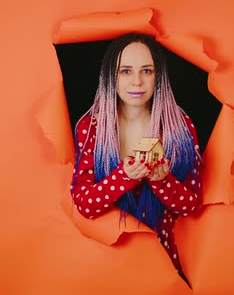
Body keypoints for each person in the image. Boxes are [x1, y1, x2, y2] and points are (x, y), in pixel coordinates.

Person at [70, 33, 202, 281]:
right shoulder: (91, 128)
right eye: (125, 71)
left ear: (158, 76)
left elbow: (191, 205)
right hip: (109, 255)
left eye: (147, 71)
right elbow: (84, 204)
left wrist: (162, 181)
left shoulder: (179, 126)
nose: (137, 81)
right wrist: (124, 176)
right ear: (111, 77)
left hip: (162, 254)